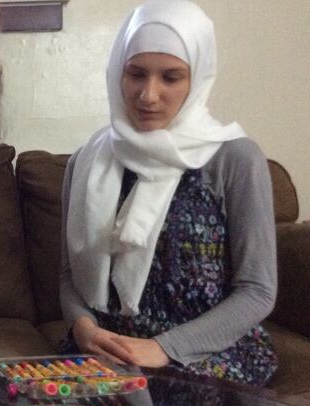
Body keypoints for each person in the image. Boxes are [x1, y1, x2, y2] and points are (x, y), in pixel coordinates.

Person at [59, 0, 278, 386]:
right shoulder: (87, 162)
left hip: (207, 354)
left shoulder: (233, 157)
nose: (148, 95)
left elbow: (257, 291)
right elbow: (68, 276)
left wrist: (163, 348)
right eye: (136, 74)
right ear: (118, 73)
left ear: (198, 78)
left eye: (171, 77)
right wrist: (84, 329)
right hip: (106, 354)